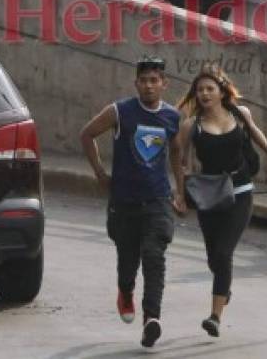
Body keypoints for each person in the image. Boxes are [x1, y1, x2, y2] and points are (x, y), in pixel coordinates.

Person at [79, 56, 184, 349]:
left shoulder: (172, 117)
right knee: (128, 260)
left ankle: (152, 317)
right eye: (144, 81)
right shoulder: (120, 111)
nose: (149, 86)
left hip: (158, 199)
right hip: (124, 200)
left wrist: (180, 192)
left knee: (154, 254)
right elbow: (87, 134)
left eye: (155, 81)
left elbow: (176, 154)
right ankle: (125, 292)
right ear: (136, 83)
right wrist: (100, 173)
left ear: (164, 84)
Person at [173, 64, 267, 338]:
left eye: (210, 89)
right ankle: (225, 286)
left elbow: (257, 134)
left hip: (241, 191)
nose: (204, 94)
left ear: (222, 92)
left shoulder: (240, 113)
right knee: (214, 258)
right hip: (209, 195)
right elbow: (178, 159)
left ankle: (214, 317)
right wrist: (180, 192)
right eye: (200, 90)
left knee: (224, 253)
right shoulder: (191, 126)